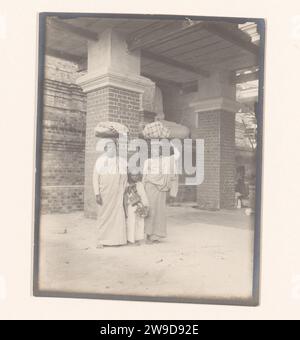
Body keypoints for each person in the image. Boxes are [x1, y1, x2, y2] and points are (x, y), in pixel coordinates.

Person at [93, 139, 128, 248]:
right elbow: (95, 178)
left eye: (114, 147)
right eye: (110, 147)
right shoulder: (100, 161)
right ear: (105, 149)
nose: (113, 149)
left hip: (117, 194)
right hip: (104, 193)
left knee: (118, 216)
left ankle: (117, 240)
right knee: (103, 216)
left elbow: (124, 178)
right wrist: (97, 193)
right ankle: (102, 240)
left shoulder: (120, 161)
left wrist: (123, 190)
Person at [142, 142, 179, 244]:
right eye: (153, 149)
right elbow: (144, 177)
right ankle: (148, 235)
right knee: (150, 210)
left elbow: (177, 155)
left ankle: (156, 236)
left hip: (160, 189)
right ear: (151, 151)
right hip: (149, 188)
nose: (155, 151)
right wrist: (142, 191)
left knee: (159, 211)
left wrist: (171, 143)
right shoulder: (147, 161)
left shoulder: (165, 161)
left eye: (157, 149)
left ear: (160, 151)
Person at [124, 173, 149, 245]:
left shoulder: (140, 184)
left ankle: (137, 238)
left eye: (136, 175)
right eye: (133, 175)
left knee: (139, 222)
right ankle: (130, 240)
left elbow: (143, 195)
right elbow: (125, 197)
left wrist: (145, 205)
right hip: (131, 205)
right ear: (129, 176)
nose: (135, 177)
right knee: (131, 222)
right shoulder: (126, 184)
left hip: (139, 204)